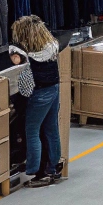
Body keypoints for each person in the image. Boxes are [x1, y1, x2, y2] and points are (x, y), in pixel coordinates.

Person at [9, 15, 63, 188]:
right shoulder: (51, 47)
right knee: (51, 129)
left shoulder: (28, 58)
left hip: (39, 95)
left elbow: (25, 89)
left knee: (32, 131)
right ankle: (53, 167)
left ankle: (37, 170)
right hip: (54, 89)